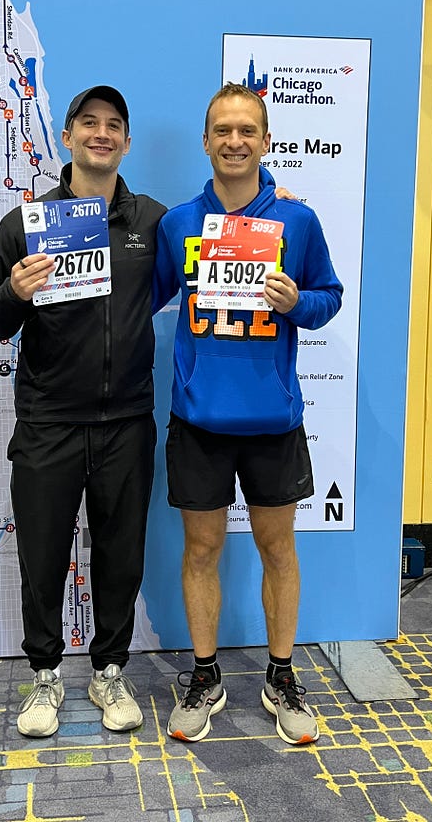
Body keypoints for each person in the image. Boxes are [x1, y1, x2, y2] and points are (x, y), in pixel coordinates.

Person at [152, 83, 343, 745]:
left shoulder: (298, 221)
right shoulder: (178, 225)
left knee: (277, 550)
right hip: (198, 421)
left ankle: (281, 675)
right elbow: (138, 298)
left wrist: (298, 303)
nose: (234, 140)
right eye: (222, 130)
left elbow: (329, 298)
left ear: (265, 141)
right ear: (206, 142)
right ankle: (205, 677)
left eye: (247, 130)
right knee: (200, 551)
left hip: (273, 422)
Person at [0, 86, 166, 737]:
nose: (102, 134)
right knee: (44, 556)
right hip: (49, 425)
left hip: (126, 425)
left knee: (120, 556)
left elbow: (208, 265)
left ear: (127, 142)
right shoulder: (26, 225)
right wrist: (14, 291)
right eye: (90, 123)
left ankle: (110, 672)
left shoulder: (153, 223)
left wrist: (271, 211)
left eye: (115, 124)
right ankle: (45, 677)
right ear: (68, 135)